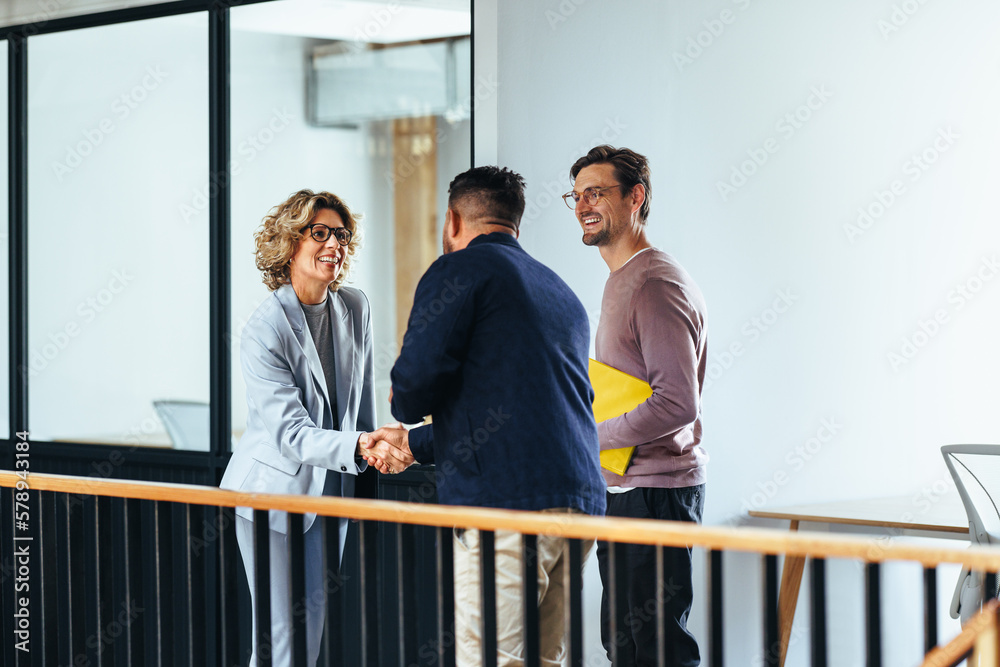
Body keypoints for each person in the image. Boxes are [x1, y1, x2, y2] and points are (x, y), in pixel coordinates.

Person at [363, 166, 606, 666]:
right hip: (578, 505)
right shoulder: (558, 291)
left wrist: (404, 405)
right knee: (544, 660)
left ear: (452, 220)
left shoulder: (459, 271)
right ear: (515, 222)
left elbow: (411, 389)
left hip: (508, 510)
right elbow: (517, 413)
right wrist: (413, 446)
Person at [220, 189, 411, 667]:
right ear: (289, 243)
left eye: (341, 235)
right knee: (280, 636)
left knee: (311, 632)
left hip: (331, 493)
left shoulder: (355, 306)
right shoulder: (265, 327)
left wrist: (373, 452)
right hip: (270, 494)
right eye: (319, 233)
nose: (334, 245)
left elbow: (360, 403)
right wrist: (362, 445)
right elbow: (290, 433)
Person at [566, 146, 708, 667]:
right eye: (577, 195)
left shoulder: (653, 282)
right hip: (627, 489)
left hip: (655, 493)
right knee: (625, 648)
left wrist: (590, 436)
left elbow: (677, 402)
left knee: (656, 653)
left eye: (597, 192)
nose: (584, 204)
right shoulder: (622, 278)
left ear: (636, 197)